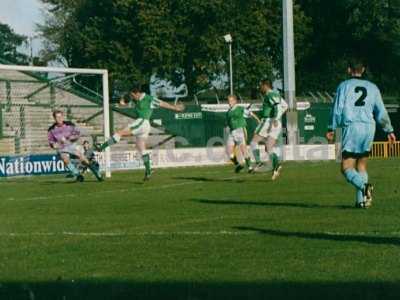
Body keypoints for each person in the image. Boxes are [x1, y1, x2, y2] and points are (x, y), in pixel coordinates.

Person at [326, 59, 396, 208]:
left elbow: (337, 110)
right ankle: (361, 201)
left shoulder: (343, 86)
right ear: (363, 70)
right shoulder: (373, 87)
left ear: (349, 70)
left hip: (352, 127)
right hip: (369, 127)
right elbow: (381, 111)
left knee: (346, 167)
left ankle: (364, 187)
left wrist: (331, 128)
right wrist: (389, 130)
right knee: (362, 165)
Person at [97, 83, 185, 180]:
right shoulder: (137, 100)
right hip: (144, 125)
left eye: (132, 95)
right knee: (141, 148)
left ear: (137, 93)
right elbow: (125, 103)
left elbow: (162, 103)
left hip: (142, 122)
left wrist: (175, 108)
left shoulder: (148, 99)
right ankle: (148, 170)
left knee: (119, 133)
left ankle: (102, 147)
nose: (132, 97)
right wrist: (122, 103)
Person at [48, 110, 103, 182]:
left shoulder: (69, 125)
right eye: (57, 117)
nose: (59, 118)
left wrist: (71, 138)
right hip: (61, 148)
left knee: (84, 160)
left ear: (63, 117)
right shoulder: (51, 130)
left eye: (60, 116)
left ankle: (96, 173)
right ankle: (78, 175)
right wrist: (54, 145)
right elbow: (51, 142)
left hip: (71, 145)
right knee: (65, 159)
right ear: (54, 118)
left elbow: (77, 134)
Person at [250, 80, 288, 180]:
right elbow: (285, 106)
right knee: (268, 147)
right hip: (276, 123)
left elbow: (278, 107)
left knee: (253, 142)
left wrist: (275, 118)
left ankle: (258, 163)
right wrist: (277, 118)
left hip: (268, 121)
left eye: (261, 85)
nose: (260, 88)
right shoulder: (277, 94)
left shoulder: (270, 95)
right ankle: (276, 166)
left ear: (265, 86)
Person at [225, 95, 260, 173]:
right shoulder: (228, 112)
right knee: (229, 152)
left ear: (235, 101)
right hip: (232, 132)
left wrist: (258, 120)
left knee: (243, 149)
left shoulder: (240, 109)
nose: (229, 103)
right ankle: (238, 165)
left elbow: (250, 113)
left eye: (231, 101)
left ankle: (250, 167)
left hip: (240, 130)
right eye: (228, 101)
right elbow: (228, 123)